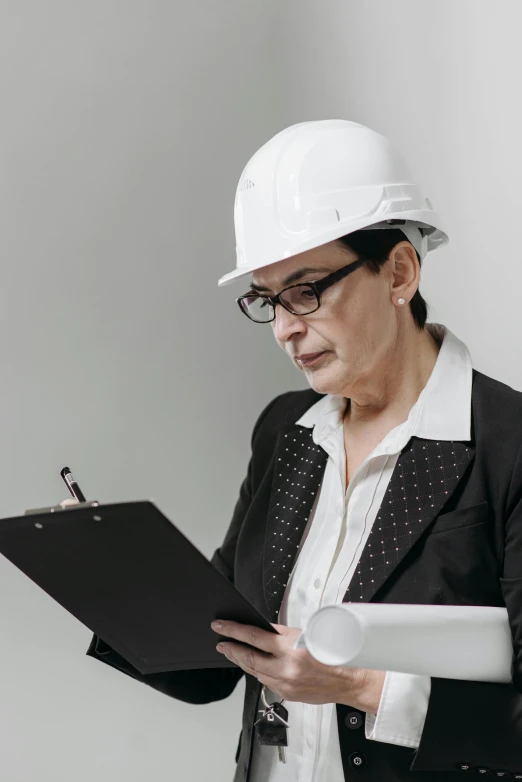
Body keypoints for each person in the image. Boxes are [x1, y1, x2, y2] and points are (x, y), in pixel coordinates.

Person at [73, 120, 522, 781]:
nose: (285, 327)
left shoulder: (504, 443)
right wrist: (100, 573)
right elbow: (220, 658)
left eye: (307, 289)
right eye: (266, 298)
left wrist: (362, 687)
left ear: (398, 270)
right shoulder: (287, 433)